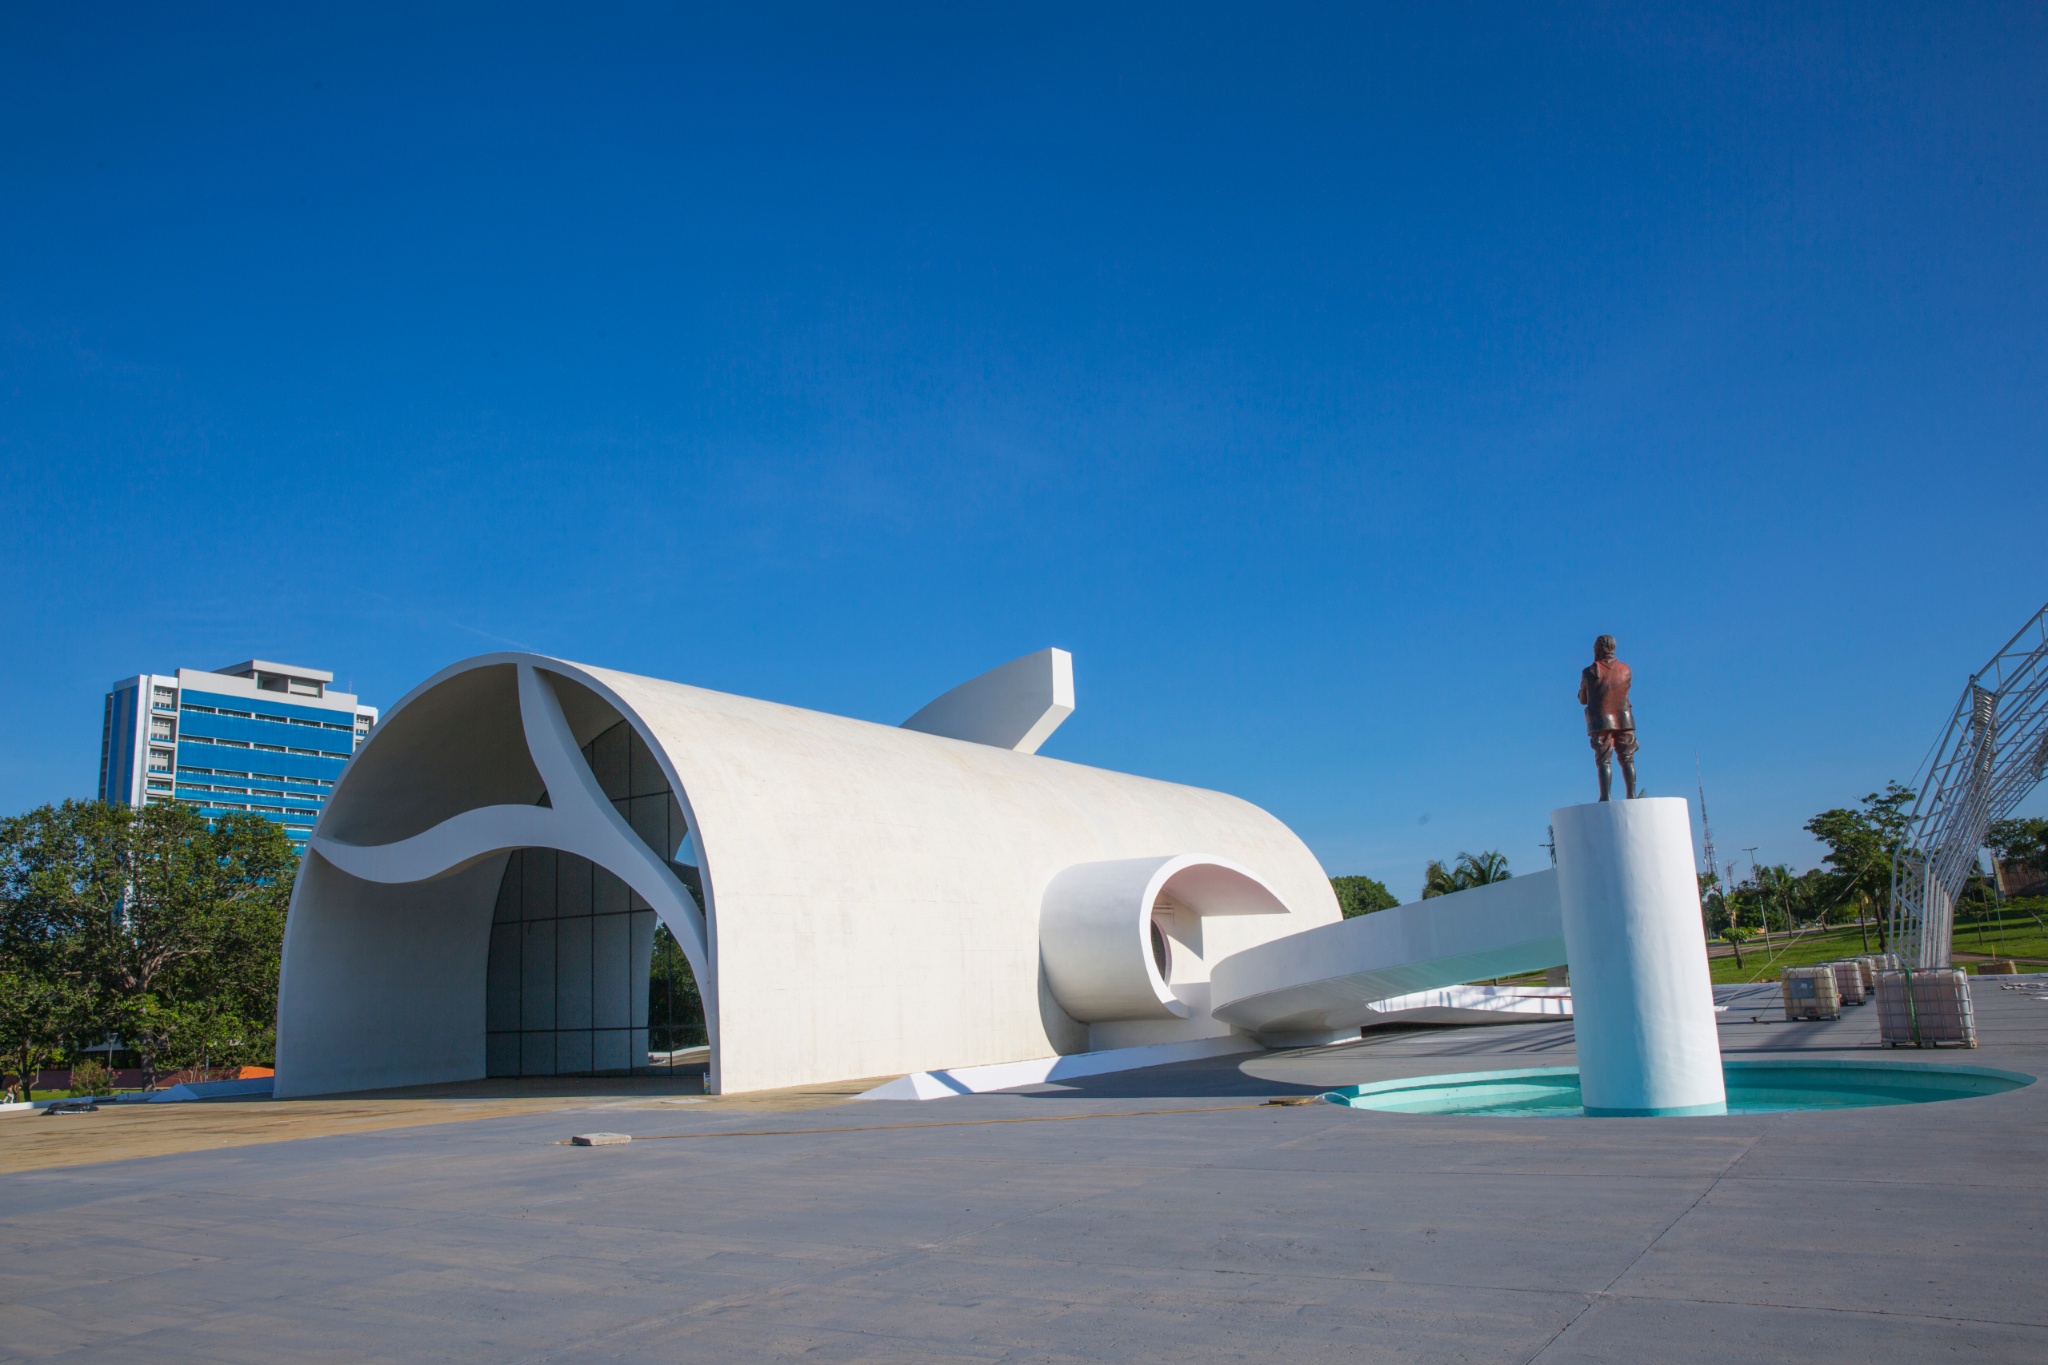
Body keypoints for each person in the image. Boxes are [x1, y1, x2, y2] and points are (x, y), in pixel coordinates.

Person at [1579, 635, 1638, 801]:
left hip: (1601, 720)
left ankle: (1605, 797)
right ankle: (1631, 794)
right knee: (1627, 759)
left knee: (1604, 761)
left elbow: (1583, 699)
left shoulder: (1590, 671)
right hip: (1624, 719)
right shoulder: (1626, 669)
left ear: (1598, 650)